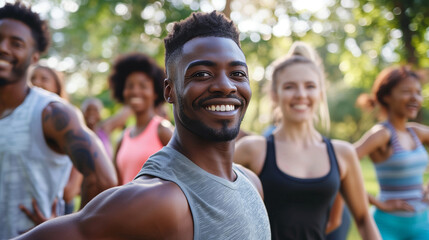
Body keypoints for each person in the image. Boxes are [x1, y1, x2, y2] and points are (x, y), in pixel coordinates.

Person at [14, 11, 271, 240]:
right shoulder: (160, 199)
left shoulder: (251, 182)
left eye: (238, 74)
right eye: (202, 74)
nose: (226, 86)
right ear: (169, 91)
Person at [234, 41, 381, 240]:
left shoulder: (342, 153)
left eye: (310, 86)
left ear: (320, 93)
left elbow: (363, 218)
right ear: (275, 94)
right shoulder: (253, 150)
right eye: (290, 87)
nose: (301, 95)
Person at [0, 2, 117, 239]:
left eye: (16, 43)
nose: (3, 48)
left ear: (34, 57)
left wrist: (72, 229)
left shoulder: (51, 113)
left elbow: (103, 180)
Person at [354, 66, 429, 240]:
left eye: (418, 92)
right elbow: (339, 164)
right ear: (387, 96)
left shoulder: (416, 132)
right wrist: (378, 203)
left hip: (423, 224)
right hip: (387, 227)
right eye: (406, 91)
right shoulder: (382, 134)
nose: (414, 98)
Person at [109, 53, 173, 185]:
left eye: (143, 86)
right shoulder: (122, 138)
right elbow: (117, 186)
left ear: (155, 92)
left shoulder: (163, 130)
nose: (135, 91)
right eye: (130, 86)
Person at [29, 64, 82, 215]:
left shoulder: (67, 121)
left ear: (56, 87)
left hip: (55, 210)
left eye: (44, 79)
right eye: (32, 78)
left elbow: (69, 192)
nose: (36, 83)